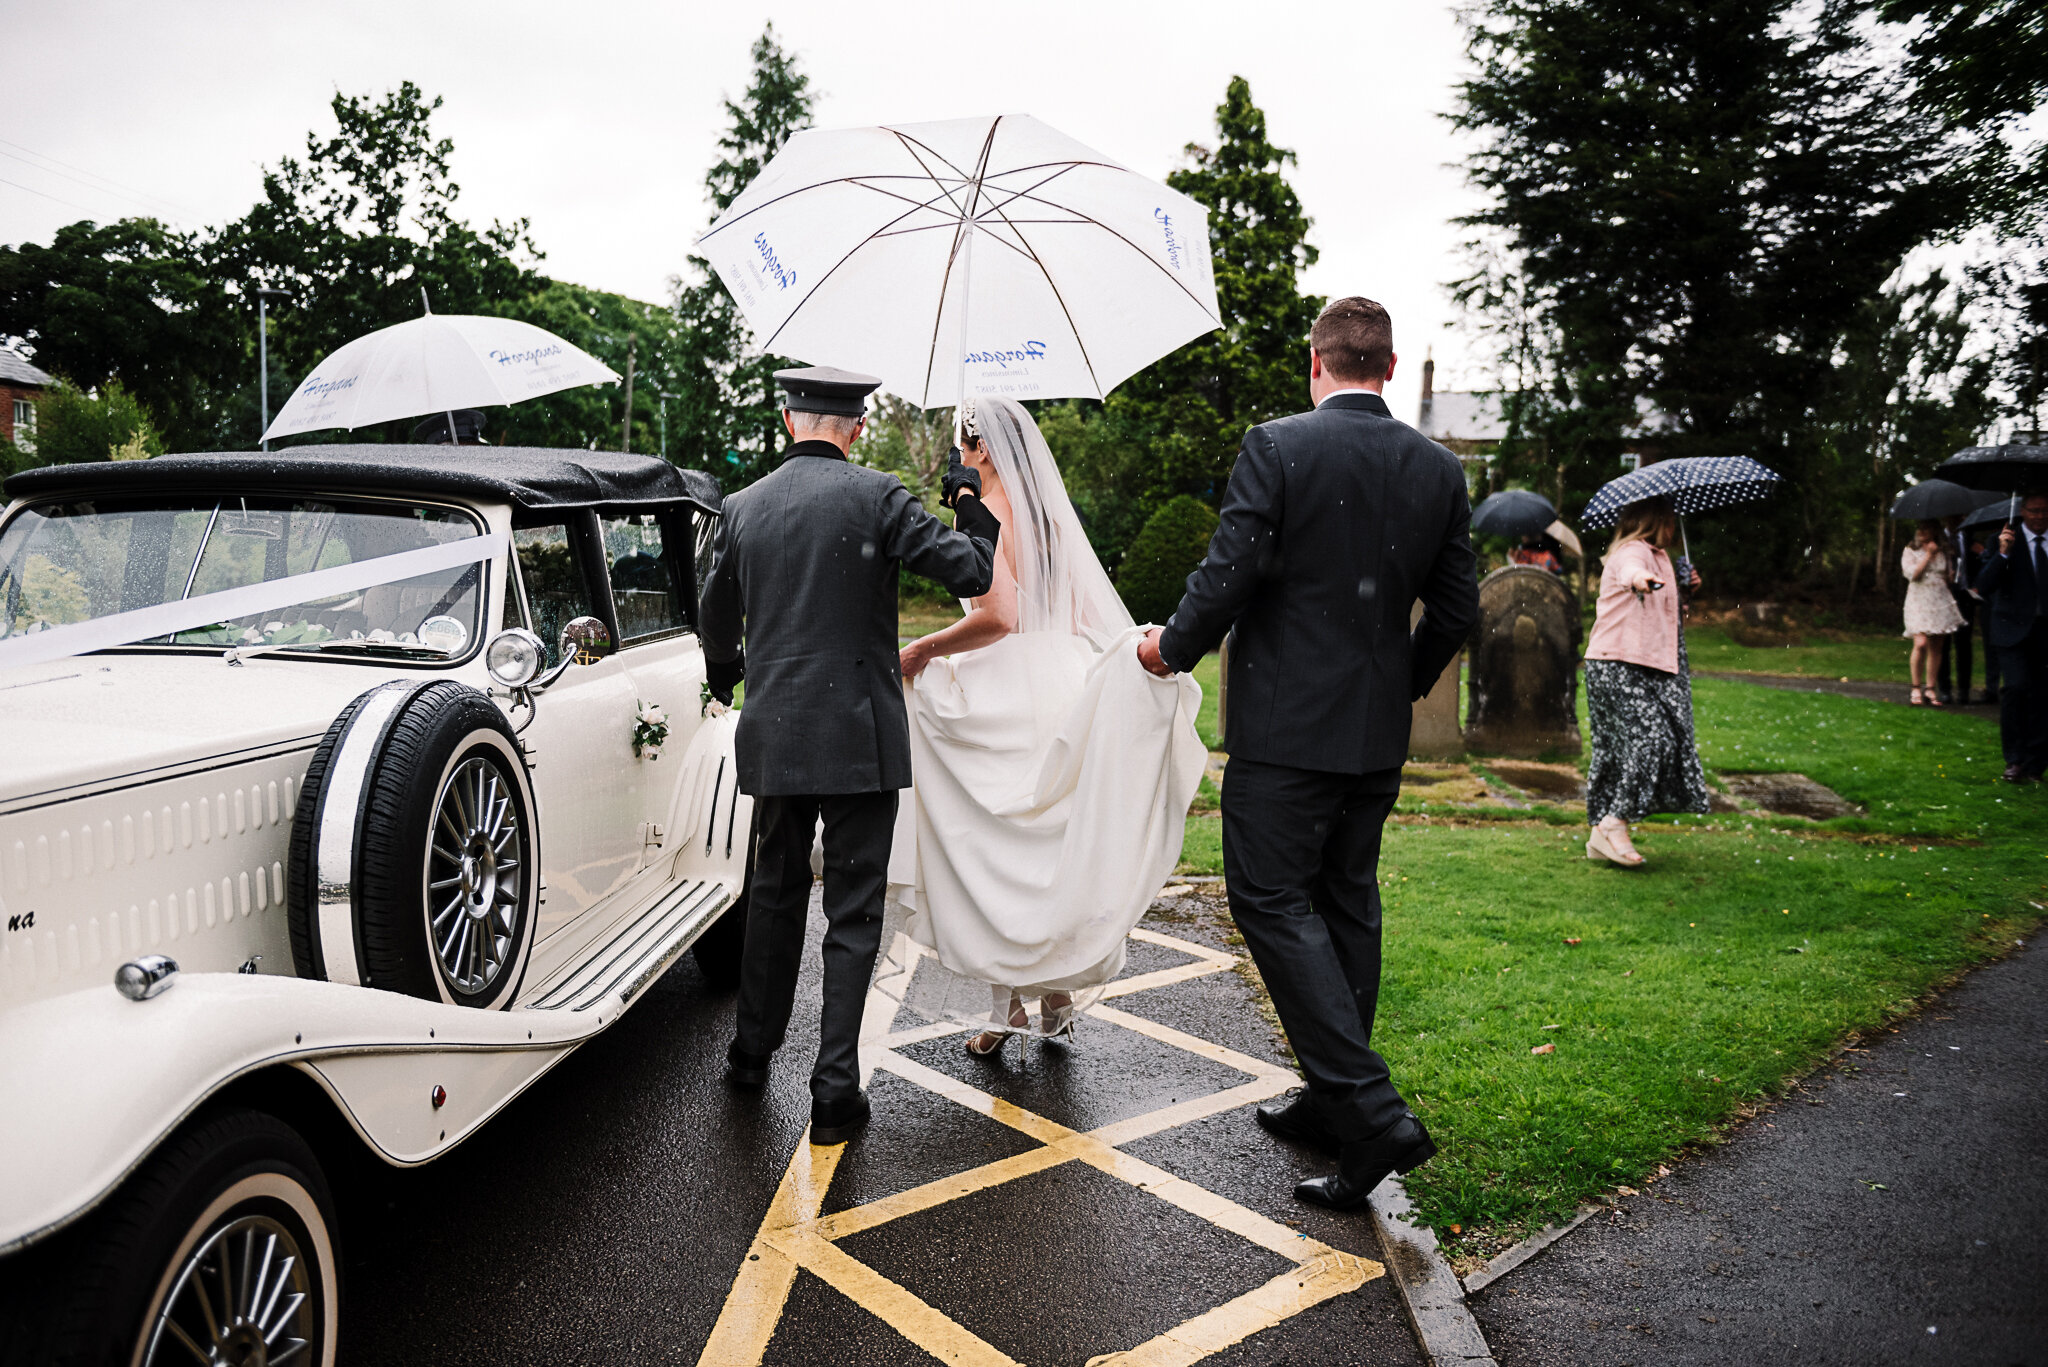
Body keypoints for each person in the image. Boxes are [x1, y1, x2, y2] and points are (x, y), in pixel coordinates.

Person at [1138, 296, 1478, 1209]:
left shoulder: (1278, 446)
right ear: (1392, 368)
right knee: (1345, 903)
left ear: (1315, 361)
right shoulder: (1438, 469)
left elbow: (1229, 573)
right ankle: (1333, 1101)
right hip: (1373, 734)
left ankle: (1370, 1115)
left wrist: (1168, 646)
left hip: (1286, 735)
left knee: (1269, 898)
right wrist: (1397, 683)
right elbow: (1456, 614)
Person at [698, 366, 1002, 1146]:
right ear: (857, 427)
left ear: (788, 420)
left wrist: (733, 675)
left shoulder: (740, 508)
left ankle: (749, 1055)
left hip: (776, 729)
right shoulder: (880, 496)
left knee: (771, 893)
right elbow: (971, 569)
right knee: (853, 912)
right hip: (861, 736)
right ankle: (834, 1087)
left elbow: (714, 619)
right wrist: (966, 497)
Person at [884, 397, 1207, 1056]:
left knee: (993, 857)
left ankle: (1010, 1013)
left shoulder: (988, 516)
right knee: (1045, 859)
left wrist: (920, 651)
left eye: (961, 444)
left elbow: (999, 615)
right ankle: (1055, 999)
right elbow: (1089, 615)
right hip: (1062, 677)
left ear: (975, 449)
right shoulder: (1053, 522)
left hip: (1004, 686)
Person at [1581, 495, 1710, 866]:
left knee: (1625, 745)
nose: (1673, 527)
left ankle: (1598, 834)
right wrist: (1643, 579)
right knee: (1650, 739)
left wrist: (1685, 589)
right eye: (1669, 520)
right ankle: (1614, 822)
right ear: (1654, 521)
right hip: (1618, 662)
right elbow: (1630, 572)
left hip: (1642, 662)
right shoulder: (1631, 552)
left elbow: (1664, 616)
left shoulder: (1663, 558)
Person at [1974, 492, 2048, 782]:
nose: (2040, 517)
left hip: (2045, 632)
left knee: (2043, 696)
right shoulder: (2002, 540)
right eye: (2034, 511)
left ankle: (2035, 763)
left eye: (2045, 511)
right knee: (2015, 689)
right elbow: (1984, 584)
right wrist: (2004, 552)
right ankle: (2014, 759)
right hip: (2011, 630)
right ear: (2023, 512)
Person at [1901, 519, 1965, 707]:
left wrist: (1950, 574)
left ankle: (1930, 688)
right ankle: (1915, 687)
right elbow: (1913, 574)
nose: (1922, 531)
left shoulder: (1943, 551)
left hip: (1939, 599)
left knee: (1936, 646)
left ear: (1934, 531)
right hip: (1919, 599)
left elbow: (1946, 575)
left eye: (1926, 528)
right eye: (1920, 528)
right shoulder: (1910, 550)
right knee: (1920, 643)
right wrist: (1928, 555)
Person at [1934, 515, 1979, 705]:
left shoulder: (1970, 539)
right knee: (1943, 644)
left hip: (1965, 595)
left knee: (1964, 644)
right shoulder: (1938, 541)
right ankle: (1944, 689)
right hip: (1943, 595)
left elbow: (1978, 566)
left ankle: (1963, 690)